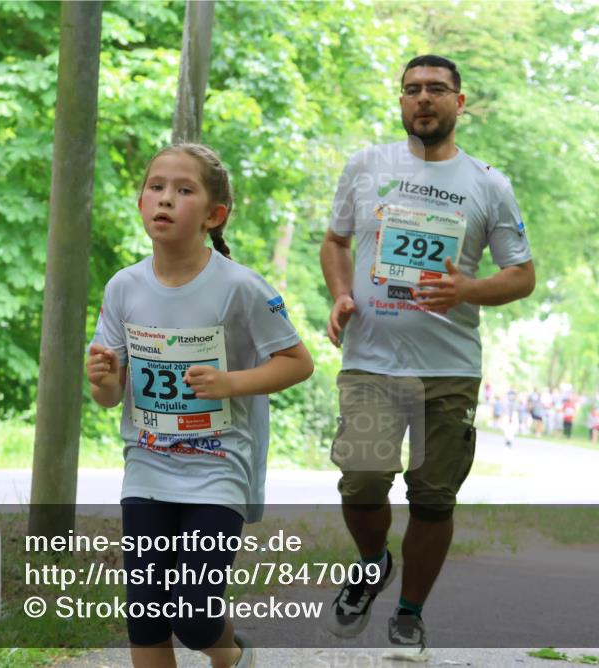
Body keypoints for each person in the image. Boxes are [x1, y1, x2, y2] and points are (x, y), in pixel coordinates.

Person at [320, 54, 535, 660]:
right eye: (412, 88)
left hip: (449, 367)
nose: (423, 98)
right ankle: (372, 564)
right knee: (362, 482)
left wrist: (467, 288)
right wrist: (341, 293)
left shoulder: (488, 184)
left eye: (436, 89)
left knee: (434, 498)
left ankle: (410, 613)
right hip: (371, 357)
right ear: (401, 101)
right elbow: (335, 242)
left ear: (458, 103)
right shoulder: (366, 166)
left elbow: (521, 275)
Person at [87, 143, 314, 668]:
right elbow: (109, 395)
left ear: (214, 215)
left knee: (193, 617)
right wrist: (103, 380)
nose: (165, 198)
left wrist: (230, 382)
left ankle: (230, 653)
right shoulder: (124, 287)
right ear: (141, 203)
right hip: (147, 466)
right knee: (146, 616)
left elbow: (297, 362)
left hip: (217, 469)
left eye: (183, 190)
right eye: (156, 187)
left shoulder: (241, 287)